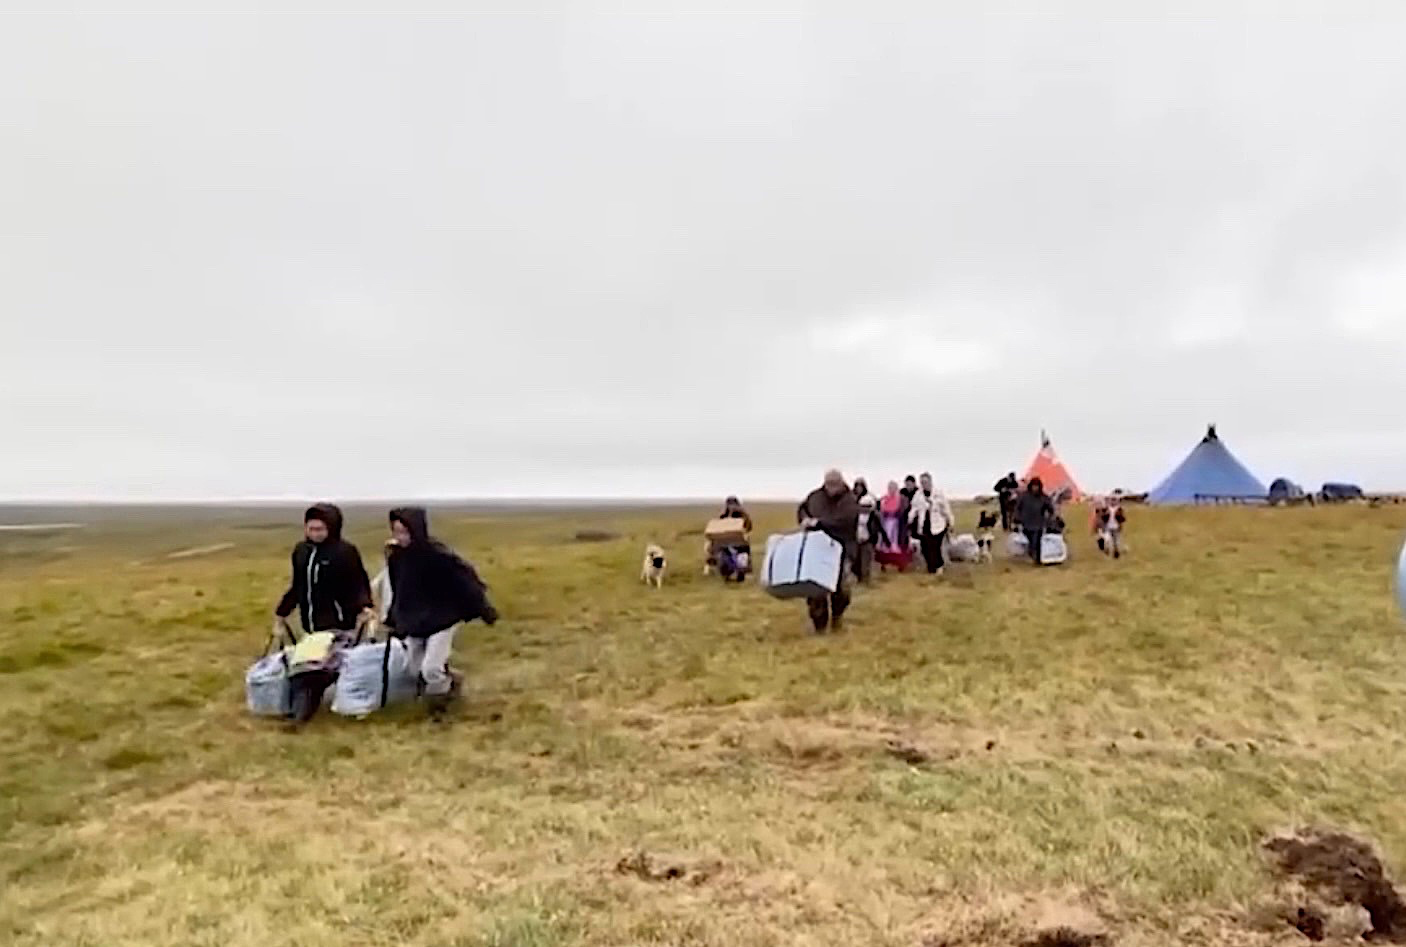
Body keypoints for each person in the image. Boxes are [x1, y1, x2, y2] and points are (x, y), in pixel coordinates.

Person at [385, 507, 499, 720]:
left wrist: (483, 609)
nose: (400, 537)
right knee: (413, 669)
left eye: (405, 532)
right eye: (396, 531)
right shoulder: (396, 559)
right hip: (414, 621)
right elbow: (398, 591)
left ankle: (440, 709)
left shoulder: (438, 556)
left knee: (431, 669)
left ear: (417, 530)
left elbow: (464, 583)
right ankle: (453, 681)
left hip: (441, 619)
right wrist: (394, 619)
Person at [272, 503, 374, 723]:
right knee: (313, 666)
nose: (315, 534)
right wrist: (282, 612)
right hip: (311, 624)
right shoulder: (301, 551)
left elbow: (358, 583)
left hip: (337, 623)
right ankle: (300, 708)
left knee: (313, 669)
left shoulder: (345, 552)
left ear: (332, 528)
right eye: (311, 529)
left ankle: (300, 715)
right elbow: (298, 585)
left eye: (320, 529)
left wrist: (364, 607)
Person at [797, 470, 860, 633]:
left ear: (841, 482)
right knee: (815, 588)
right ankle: (819, 625)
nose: (831, 488)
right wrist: (804, 519)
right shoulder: (815, 497)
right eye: (828, 484)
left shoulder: (850, 500)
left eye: (834, 484)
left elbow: (844, 522)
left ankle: (837, 617)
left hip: (842, 549)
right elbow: (803, 509)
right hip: (817, 549)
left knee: (841, 589)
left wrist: (819, 523)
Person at [907, 472, 955, 576]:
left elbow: (946, 509)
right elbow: (914, 508)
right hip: (924, 525)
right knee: (925, 548)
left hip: (938, 525)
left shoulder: (939, 494)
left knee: (935, 547)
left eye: (926, 482)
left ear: (930, 482)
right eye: (922, 482)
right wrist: (909, 519)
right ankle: (931, 567)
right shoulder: (918, 495)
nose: (924, 484)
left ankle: (939, 566)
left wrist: (951, 522)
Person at [712, 496, 754, 581]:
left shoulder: (743, 516)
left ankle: (741, 573)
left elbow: (749, 527)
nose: (731, 507)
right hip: (726, 542)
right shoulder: (724, 516)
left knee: (742, 559)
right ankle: (727, 573)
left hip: (741, 543)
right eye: (730, 505)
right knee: (724, 557)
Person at [875, 480, 913, 572]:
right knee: (885, 544)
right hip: (886, 524)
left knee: (897, 544)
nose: (891, 490)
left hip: (898, 525)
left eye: (893, 488)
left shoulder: (901, 499)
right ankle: (884, 564)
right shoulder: (884, 499)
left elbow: (904, 511)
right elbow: (880, 511)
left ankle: (899, 564)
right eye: (890, 488)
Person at [1016, 477, 1055, 565]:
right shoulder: (1024, 496)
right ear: (1031, 486)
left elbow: (1051, 509)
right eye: (1034, 486)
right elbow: (1018, 508)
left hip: (1038, 524)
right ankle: (1033, 554)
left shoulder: (1043, 497)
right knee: (1030, 541)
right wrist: (1017, 518)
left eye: (1037, 486)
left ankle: (1037, 559)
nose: (1035, 488)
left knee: (1036, 541)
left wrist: (1049, 519)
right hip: (1026, 523)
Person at [853, 493, 883, 583]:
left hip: (868, 541)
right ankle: (859, 578)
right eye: (863, 506)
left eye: (867, 506)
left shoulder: (874, 516)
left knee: (866, 562)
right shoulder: (856, 516)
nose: (865, 508)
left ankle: (865, 580)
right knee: (856, 562)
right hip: (856, 541)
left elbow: (880, 529)